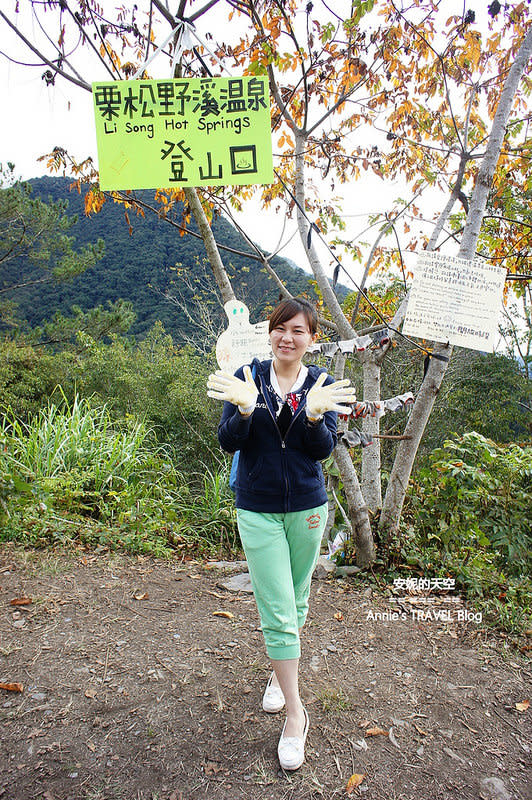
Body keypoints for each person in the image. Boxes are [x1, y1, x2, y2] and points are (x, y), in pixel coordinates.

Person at [207, 297, 356, 771]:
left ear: (311, 339)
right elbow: (229, 440)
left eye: (299, 331)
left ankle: (279, 675)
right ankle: (296, 714)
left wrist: (313, 416)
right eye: (280, 328)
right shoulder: (248, 375)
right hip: (258, 507)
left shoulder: (322, 384)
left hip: (308, 507)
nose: (287, 337)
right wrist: (246, 411)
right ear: (269, 332)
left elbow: (321, 450)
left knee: (297, 596)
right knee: (276, 605)